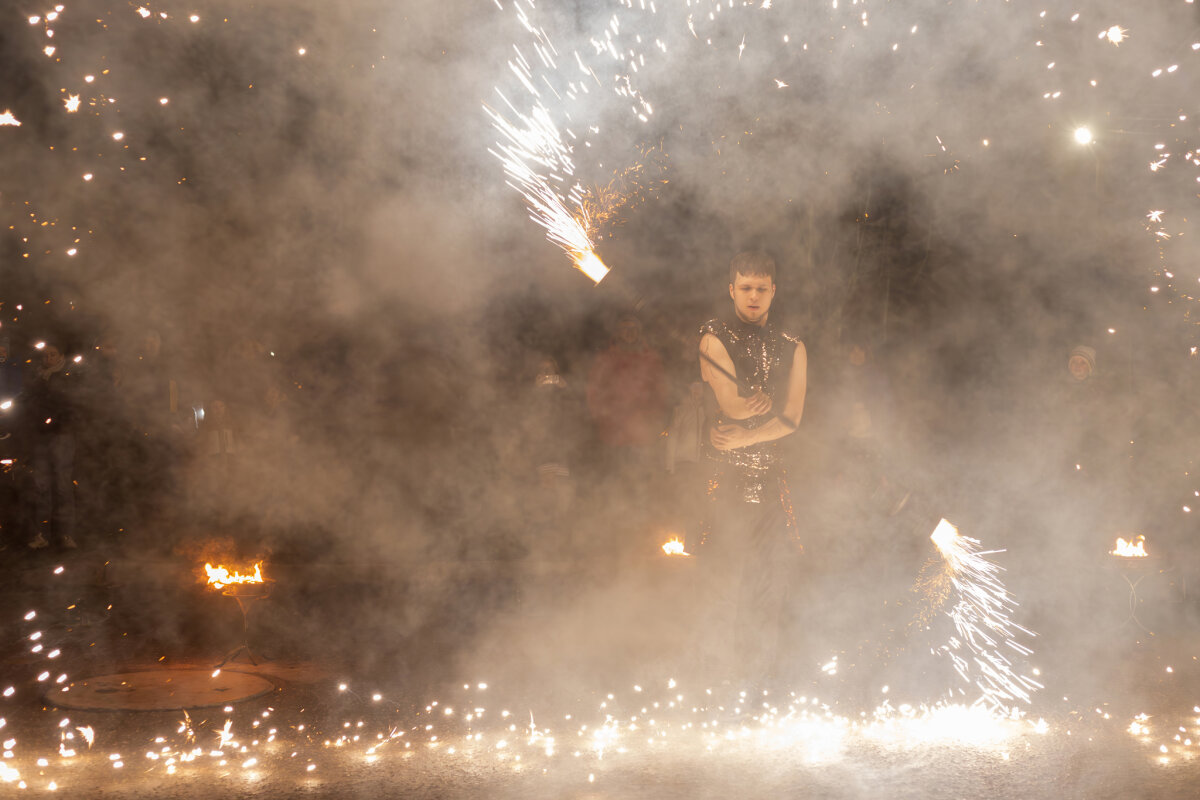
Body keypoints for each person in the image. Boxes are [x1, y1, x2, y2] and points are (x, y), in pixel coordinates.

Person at [695, 250, 808, 683]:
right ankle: (714, 680)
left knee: (768, 586)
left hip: (772, 484)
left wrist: (750, 433)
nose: (754, 296)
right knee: (721, 581)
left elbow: (792, 418)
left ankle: (759, 682)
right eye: (745, 288)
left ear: (774, 291)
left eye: (762, 288)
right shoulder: (713, 337)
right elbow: (732, 404)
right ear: (732, 290)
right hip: (722, 482)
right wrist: (753, 415)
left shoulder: (793, 345)